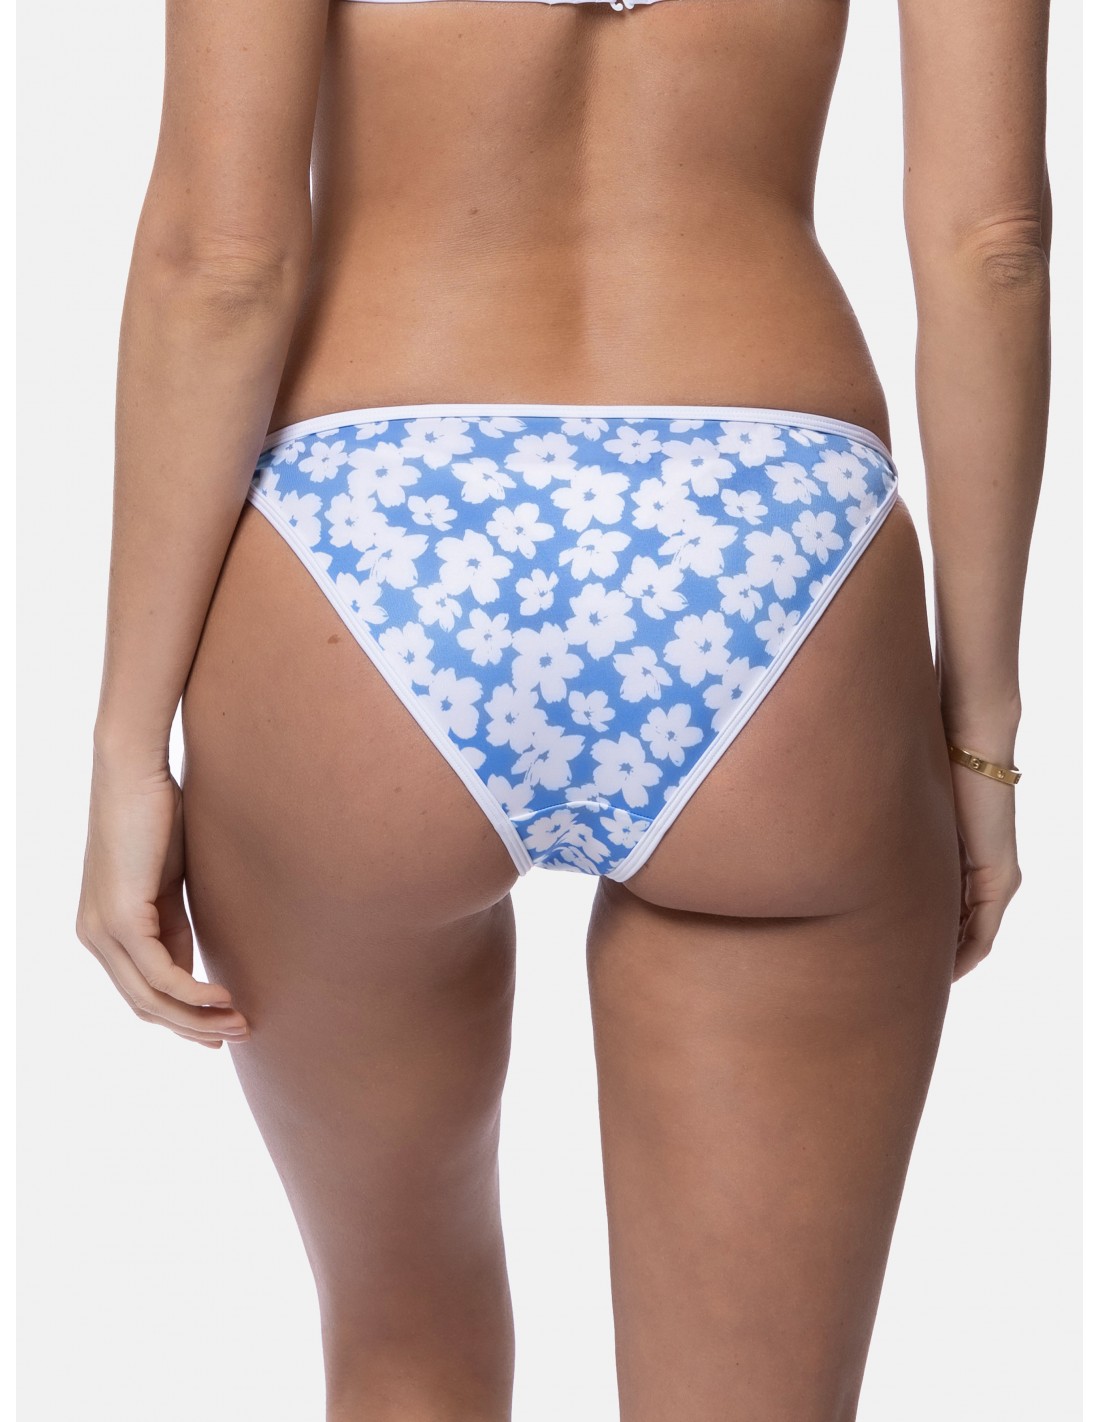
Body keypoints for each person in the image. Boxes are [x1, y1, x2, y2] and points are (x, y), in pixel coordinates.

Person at [75, 0, 1050, 1416]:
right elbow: (992, 243)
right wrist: (982, 730)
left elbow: (220, 262)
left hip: (372, 539)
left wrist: (127, 739)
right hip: (768, 548)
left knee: (401, 1343)